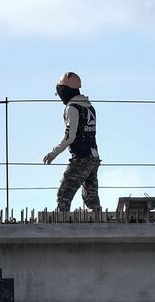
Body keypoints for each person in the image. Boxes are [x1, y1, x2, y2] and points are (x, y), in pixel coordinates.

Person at [42, 72, 101, 213]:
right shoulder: (89, 107)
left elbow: (70, 136)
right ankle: (99, 227)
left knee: (64, 194)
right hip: (94, 157)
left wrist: (53, 153)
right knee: (91, 198)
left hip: (81, 158)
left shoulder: (72, 108)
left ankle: (62, 228)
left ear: (65, 90)